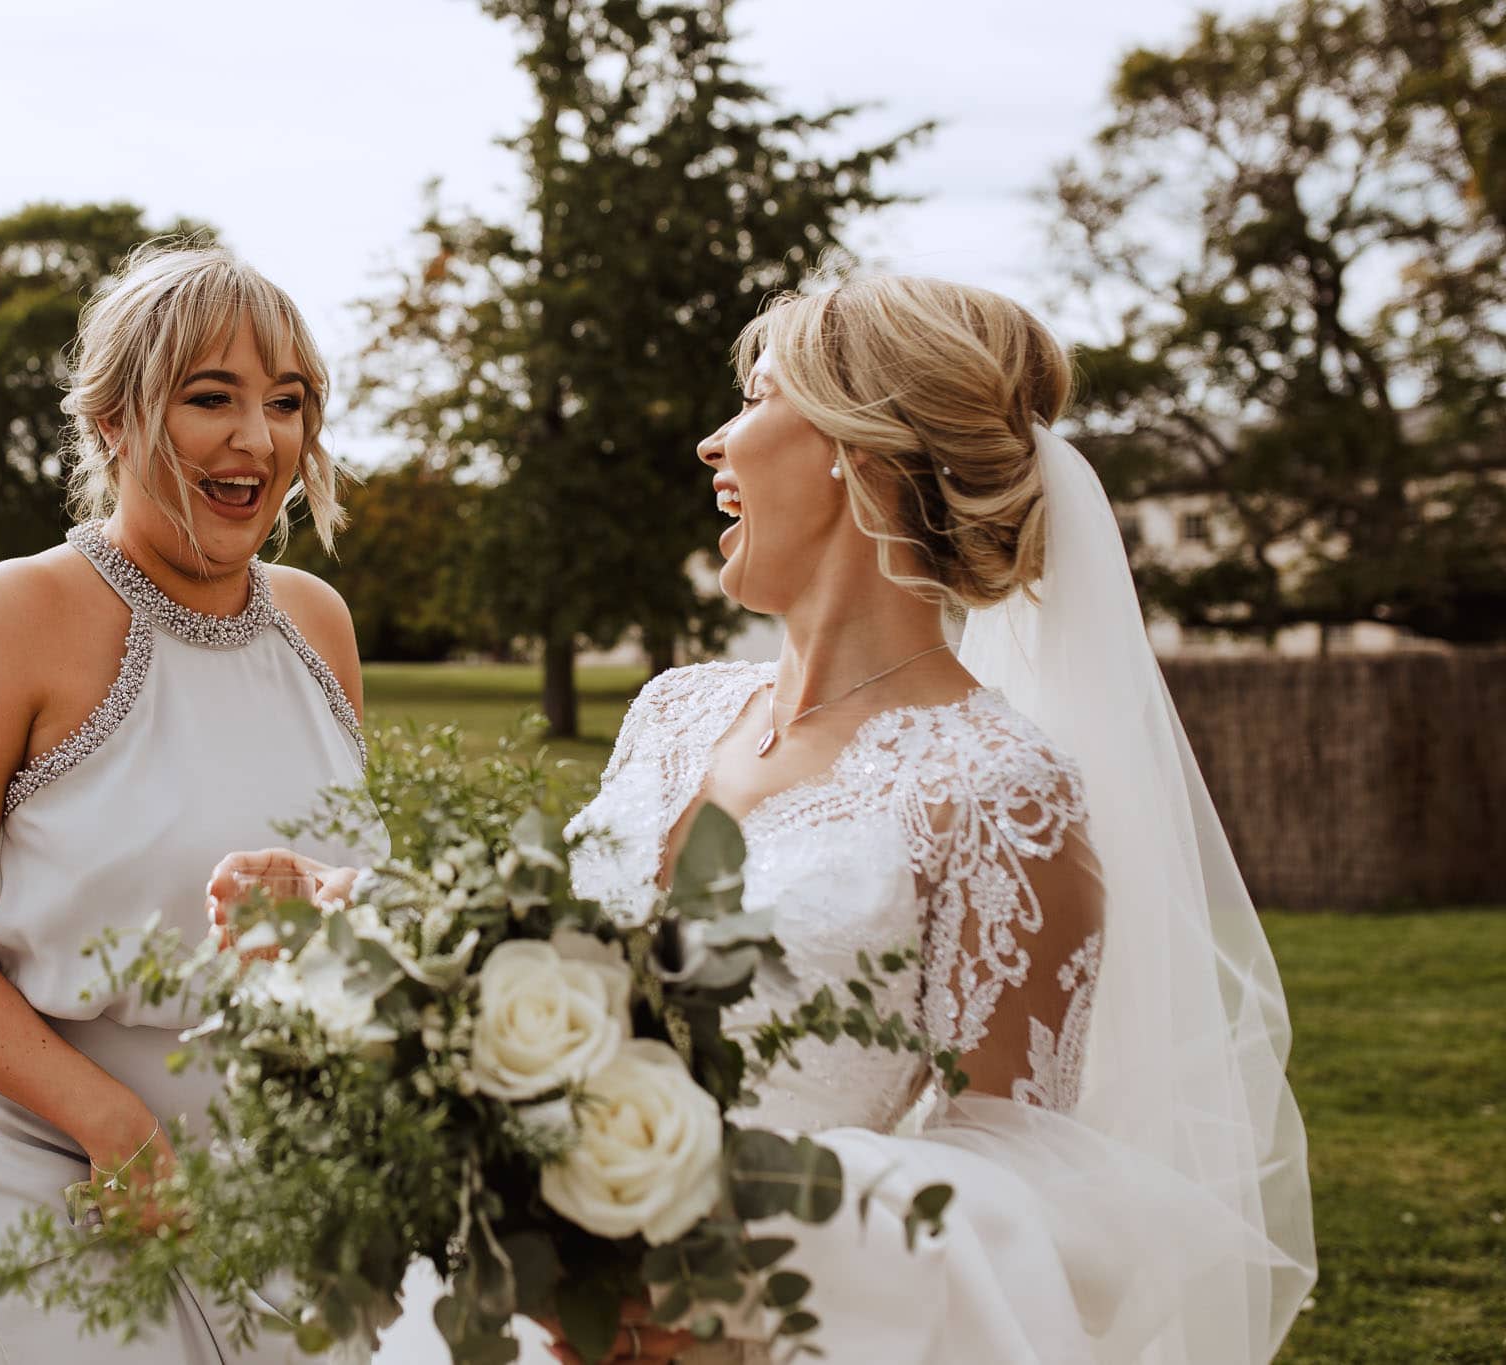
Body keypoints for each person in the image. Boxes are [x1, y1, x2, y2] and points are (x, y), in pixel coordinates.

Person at [218, 270, 1315, 1365]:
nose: (713, 443)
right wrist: (368, 923)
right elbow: (573, 966)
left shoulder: (996, 788)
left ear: (859, 445)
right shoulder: (669, 714)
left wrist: (736, 1274)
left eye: (755, 399)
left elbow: (1021, 1172)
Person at [0, 242, 373, 1364]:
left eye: (285, 403)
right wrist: (113, 1124)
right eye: (210, 397)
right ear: (110, 419)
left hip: (295, 1174)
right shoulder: (9, 617)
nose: (256, 439)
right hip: (59, 1164)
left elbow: (345, 894)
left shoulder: (318, 622)